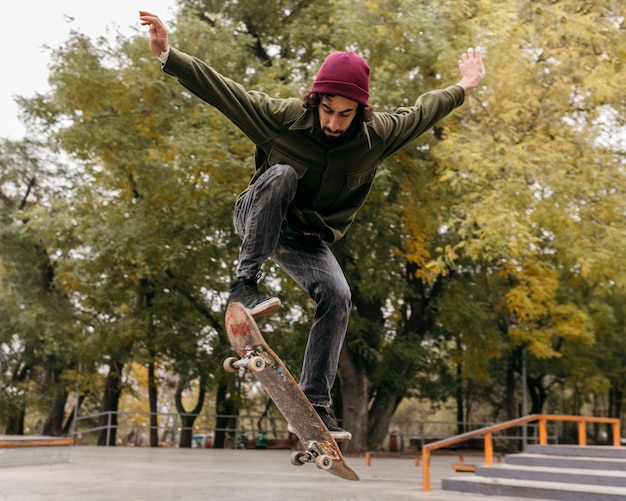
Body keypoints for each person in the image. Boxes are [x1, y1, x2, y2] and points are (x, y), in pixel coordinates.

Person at [139, 11, 485, 441]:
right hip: (258, 213)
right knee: (283, 175)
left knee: (338, 295)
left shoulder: (376, 137)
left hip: (302, 237)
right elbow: (224, 92)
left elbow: (422, 112)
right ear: (315, 100)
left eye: (345, 114)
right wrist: (168, 55)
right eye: (327, 110)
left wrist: (463, 86)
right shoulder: (281, 118)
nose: (334, 123)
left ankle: (315, 404)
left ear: (360, 111)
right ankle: (244, 285)